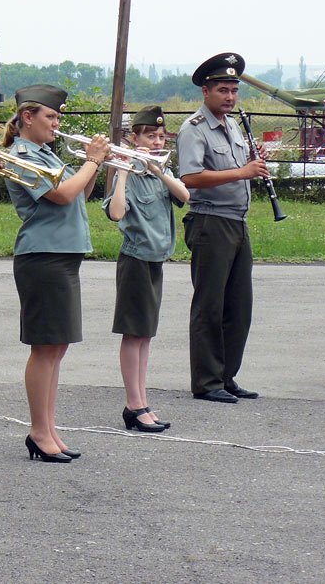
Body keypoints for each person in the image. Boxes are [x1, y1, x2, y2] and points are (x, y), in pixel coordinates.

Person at [2, 84, 109, 463]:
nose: (56, 123)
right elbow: (61, 194)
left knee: (56, 347)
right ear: (27, 117)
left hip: (61, 255)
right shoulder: (20, 155)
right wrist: (92, 161)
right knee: (45, 348)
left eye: (57, 117)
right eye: (50, 116)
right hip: (43, 257)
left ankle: (48, 428)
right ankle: (38, 431)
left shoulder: (45, 152)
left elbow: (78, 194)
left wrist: (94, 165)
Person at [177, 52, 269, 403]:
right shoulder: (194, 128)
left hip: (236, 221)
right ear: (206, 91)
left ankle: (226, 375)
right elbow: (190, 177)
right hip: (210, 221)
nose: (230, 97)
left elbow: (236, 169)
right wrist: (242, 172)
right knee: (210, 306)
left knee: (239, 307)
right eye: (223, 90)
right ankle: (206, 382)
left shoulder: (232, 125)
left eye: (234, 90)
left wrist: (253, 163)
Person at [102, 106, 189, 431]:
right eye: (150, 136)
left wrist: (159, 171)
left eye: (161, 136)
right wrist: (124, 170)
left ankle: (142, 402)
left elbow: (184, 194)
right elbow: (116, 213)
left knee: (145, 335)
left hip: (155, 261)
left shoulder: (160, 172)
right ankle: (134, 404)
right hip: (136, 261)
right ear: (134, 138)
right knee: (133, 334)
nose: (156, 142)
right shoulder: (128, 175)